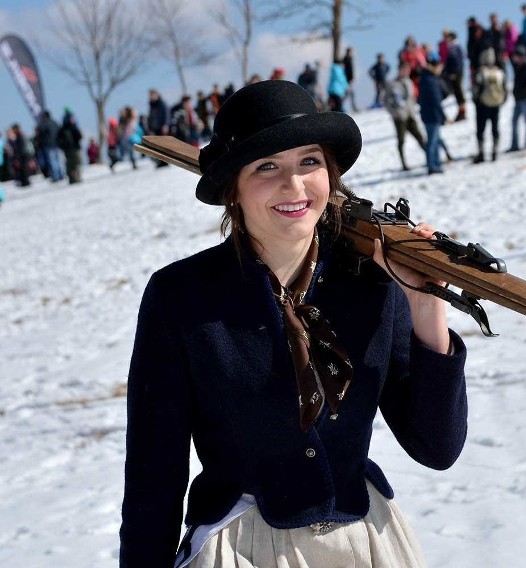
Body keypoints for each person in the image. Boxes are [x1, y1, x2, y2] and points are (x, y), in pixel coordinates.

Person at [119, 79, 468, 568]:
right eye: (267, 167)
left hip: (364, 544)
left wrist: (424, 305)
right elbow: (154, 474)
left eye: (310, 161)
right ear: (232, 191)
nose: (295, 185)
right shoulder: (181, 297)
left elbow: (437, 446)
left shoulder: (373, 281)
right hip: (240, 547)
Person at [383, 61, 427, 171]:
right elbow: (385, 101)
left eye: (407, 70)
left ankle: (429, 157)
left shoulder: (409, 82)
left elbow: (411, 98)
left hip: (410, 114)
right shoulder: (392, 84)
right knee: (401, 140)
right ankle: (403, 163)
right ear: (399, 70)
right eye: (404, 70)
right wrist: (394, 112)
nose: (406, 72)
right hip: (399, 117)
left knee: (420, 137)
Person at [472, 48, 507, 163]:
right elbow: (505, 89)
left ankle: (481, 153)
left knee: (481, 129)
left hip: (482, 105)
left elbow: (476, 88)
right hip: (496, 103)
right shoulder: (499, 72)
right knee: (495, 128)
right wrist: (501, 100)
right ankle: (494, 151)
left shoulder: (481, 72)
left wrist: (476, 101)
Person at [418, 53, 450, 175]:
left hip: (428, 114)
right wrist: (443, 116)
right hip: (432, 115)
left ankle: (436, 163)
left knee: (435, 140)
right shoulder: (430, 80)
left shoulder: (426, 78)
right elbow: (436, 101)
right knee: (432, 141)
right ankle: (432, 165)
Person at [508, 45, 526, 152]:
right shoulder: (517, 67)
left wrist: (524, 91)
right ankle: (514, 145)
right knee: (514, 121)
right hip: (518, 99)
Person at [442, 31, 467, 121]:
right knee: (457, 93)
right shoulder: (452, 47)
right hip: (454, 73)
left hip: (456, 73)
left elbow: (458, 62)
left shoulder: (455, 47)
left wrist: (454, 73)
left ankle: (462, 112)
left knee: (458, 92)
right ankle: (461, 111)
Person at [36, 110, 64, 182]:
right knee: (58, 161)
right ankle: (61, 175)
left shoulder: (44, 124)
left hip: (49, 145)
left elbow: (40, 134)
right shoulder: (55, 123)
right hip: (57, 144)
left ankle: (56, 176)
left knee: (52, 162)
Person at [57, 108, 83, 184]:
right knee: (75, 164)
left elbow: (58, 140)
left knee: (71, 165)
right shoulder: (72, 127)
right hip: (73, 149)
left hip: (69, 149)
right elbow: (79, 136)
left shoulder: (63, 128)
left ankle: (73, 179)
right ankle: (76, 178)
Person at [148, 89, 170, 167]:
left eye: (152, 94)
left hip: (162, 127)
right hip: (155, 129)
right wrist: (150, 128)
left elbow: (166, 114)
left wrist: (166, 124)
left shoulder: (162, 103)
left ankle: (166, 161)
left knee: (163, 145)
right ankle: (160, 162)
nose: (151, 96)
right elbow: (150, 117)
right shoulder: (151, 105)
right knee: (157, 146)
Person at [342, 47, 359, 112]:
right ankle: (353, 108)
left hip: (349, 80)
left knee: (347, 94)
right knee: (350, 94)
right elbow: (346, 70)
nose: (352, 53)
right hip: (347, 80)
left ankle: (340, 106)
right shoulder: (346, 59)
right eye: (351, 52)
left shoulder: (350, 59)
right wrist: (349, 78)